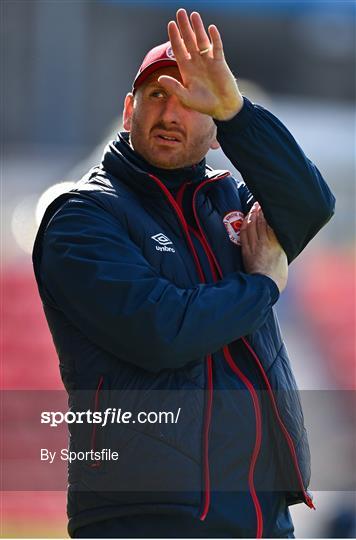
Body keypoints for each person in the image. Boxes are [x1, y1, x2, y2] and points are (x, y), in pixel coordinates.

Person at [32, 8, 335, 539]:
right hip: (148, 516)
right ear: (128, 111)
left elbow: (310, 205)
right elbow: (161, 331)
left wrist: (239, 112)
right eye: (156, 96)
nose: (171, 113)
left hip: (259, 514)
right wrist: (260, 286)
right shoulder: (82, 215)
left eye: (192, 101)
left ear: (217, 130)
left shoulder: (231, 202)